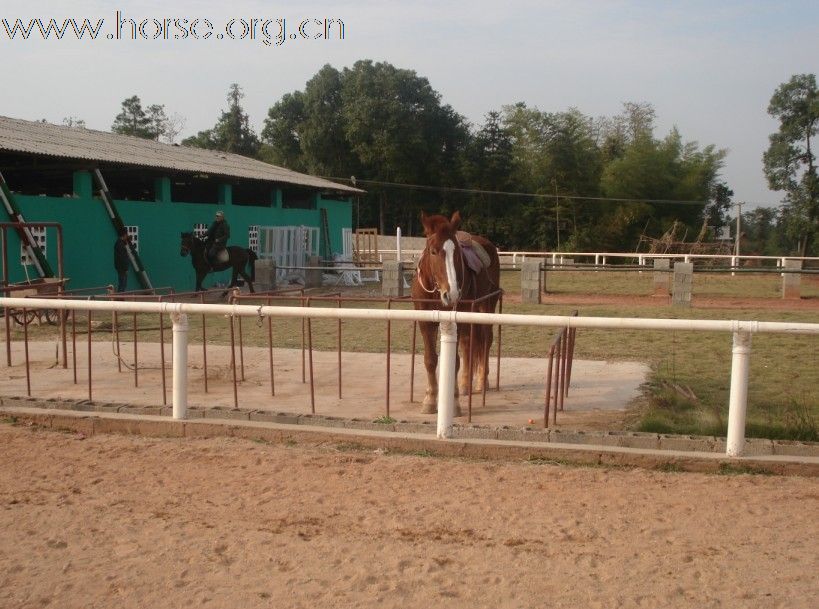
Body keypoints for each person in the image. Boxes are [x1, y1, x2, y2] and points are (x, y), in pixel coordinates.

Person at [113, 227, 130, 293]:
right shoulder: (120, 244)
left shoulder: (120, 243)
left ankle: (120, 298)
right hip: (122, 268)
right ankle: (119, 299)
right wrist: (125, 268)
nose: (127, 236)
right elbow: (122, 258)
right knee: (122, 284)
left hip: (120, 267)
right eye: (126, 234)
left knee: (122, 284)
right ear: (124, 234)